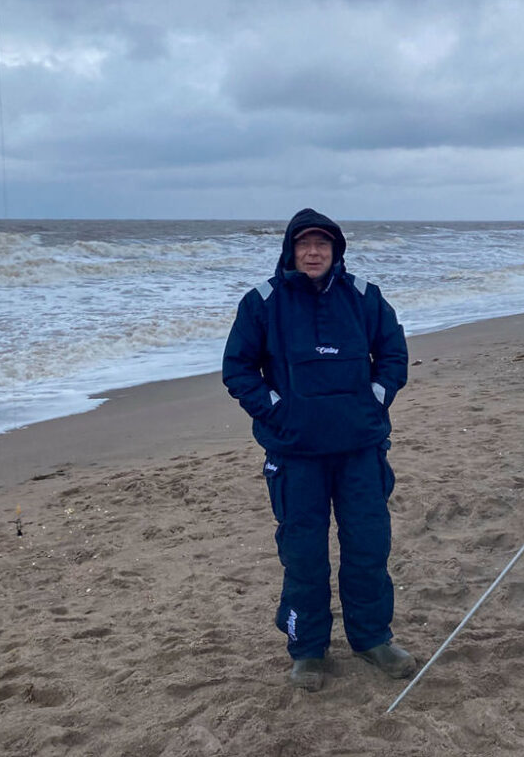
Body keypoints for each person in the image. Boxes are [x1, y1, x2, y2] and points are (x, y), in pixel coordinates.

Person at [222, 207, 415, 692]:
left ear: (336, 251)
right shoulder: (262, 302)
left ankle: (373, 639)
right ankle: (307, 650)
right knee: (304, 556)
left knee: (368, 548)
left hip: (360, 451)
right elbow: (238, 369)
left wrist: (374, 398)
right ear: (291, 250)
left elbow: (393, 354)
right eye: (305, 244)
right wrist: (277, 410)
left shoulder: (365, 298)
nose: (313, 252)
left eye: (322, 245)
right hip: (295, 454)